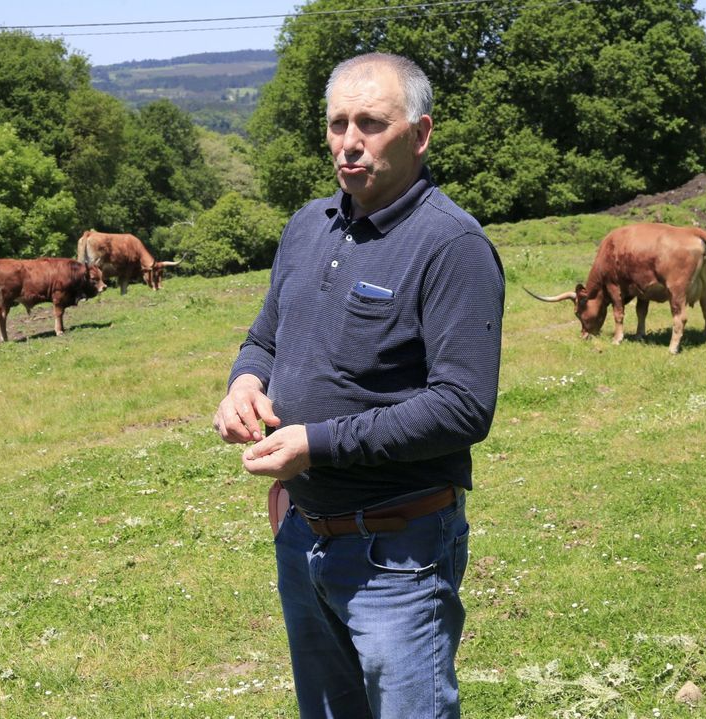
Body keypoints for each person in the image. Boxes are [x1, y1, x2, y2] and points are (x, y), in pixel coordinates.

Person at [212, 52, 504, 719]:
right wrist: (243, 384)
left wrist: (317, 444)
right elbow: (265, 337)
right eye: (338, 122)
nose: (349, 141)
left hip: (397, 552)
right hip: (303, 537)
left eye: (371, 122)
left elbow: (463, 407)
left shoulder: (450, 245)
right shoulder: (307, 226)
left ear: (420, 134)